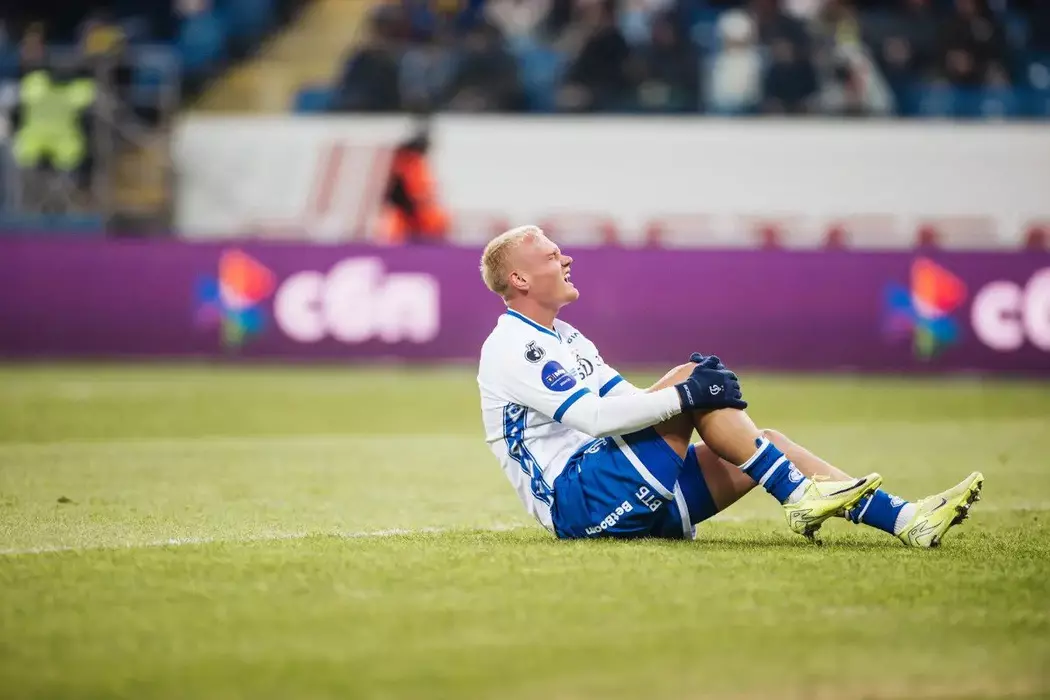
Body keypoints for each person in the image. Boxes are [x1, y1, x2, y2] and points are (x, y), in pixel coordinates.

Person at [476, 225, 984, 546]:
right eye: (552, 256)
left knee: (769, 443)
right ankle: (798, 497)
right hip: (578, 503)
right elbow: (594, 418)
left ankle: (907, 520)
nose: (566, 260)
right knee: (688, 382)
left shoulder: (566, 336)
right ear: (520, 280)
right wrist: (687, 393)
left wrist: (692, 394)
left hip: (617, 488)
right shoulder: (516, 346)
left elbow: (630, 402)